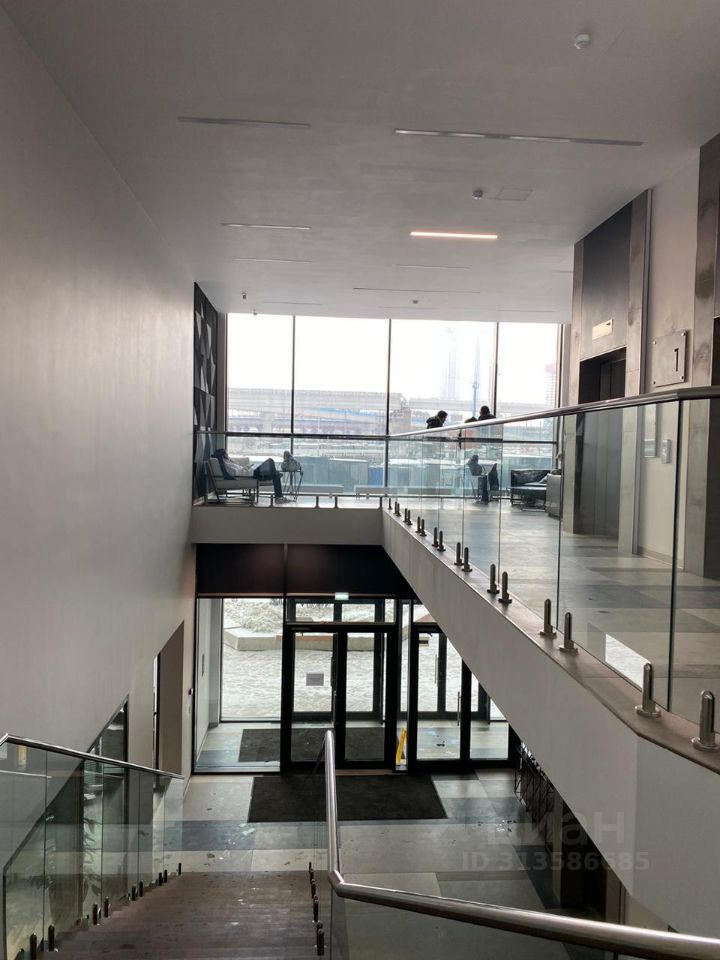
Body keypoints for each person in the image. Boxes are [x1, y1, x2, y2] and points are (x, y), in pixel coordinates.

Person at [212, 448, 285, 501]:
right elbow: (236, 474)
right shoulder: (227, 465)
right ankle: (274, 474)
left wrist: (245, 467)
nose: (228, 455)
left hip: (252, 473)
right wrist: (246, 468)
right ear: (223, 455)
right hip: (252, 474)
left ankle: (279, 496)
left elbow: (239, 470)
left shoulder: (229, 463)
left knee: (276, 475)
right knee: (270, 461)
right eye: (226, 454)